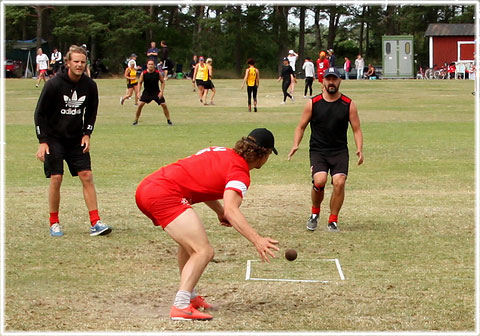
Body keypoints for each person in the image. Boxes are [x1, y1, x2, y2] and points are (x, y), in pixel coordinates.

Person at [135, 128, 280, 321]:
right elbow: (232, 210)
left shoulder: (220, 151)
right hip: (164, 194)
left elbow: (200, 183)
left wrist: (218, 211)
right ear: (264, 155)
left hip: (150, 186)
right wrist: (257, 239)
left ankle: (190, 296)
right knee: (203, 251)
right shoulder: (240, 173)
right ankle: (181, 306)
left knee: (189, 245)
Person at [34, 45, 112, 237]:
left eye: (82, 62)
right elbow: (39, 114)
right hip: (54, 139)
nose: (79, 65)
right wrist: (43, 141)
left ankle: (95, 222)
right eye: (75, 61)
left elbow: (92, 112)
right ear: (67, 62)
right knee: (56, 178)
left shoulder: (90, 86)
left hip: (76, 138)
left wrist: (87, 133)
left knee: (87, 175)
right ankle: (54, 223)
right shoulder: (53, 85)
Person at [287, 67, 364, 232]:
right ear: (323, 81)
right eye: (328, 79)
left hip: (339, 151)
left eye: (334, 79)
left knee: (339, 182)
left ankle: (333, 220)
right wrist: (295, 144)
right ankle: (315, 213)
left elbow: (356, 129)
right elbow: (300, 127)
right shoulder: (313, 104)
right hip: (318, 150)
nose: (331, 82)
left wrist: (359, 149)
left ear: (339, 81)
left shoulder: (348, 104)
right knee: (319, 180)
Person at [133, 59, 172, 126]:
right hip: (147, 92)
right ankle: (136, 120)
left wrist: (161, 92)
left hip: (156, 92)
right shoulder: (144, 73)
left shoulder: (157, 73)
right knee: (140, 105)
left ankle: (168, 120)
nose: (150, 66)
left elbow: (162, 82)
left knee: (164, 105)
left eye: (152, 64)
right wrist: (138, 92)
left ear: (154, 65)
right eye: (149, 64)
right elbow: (140, 82)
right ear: (147, 65)